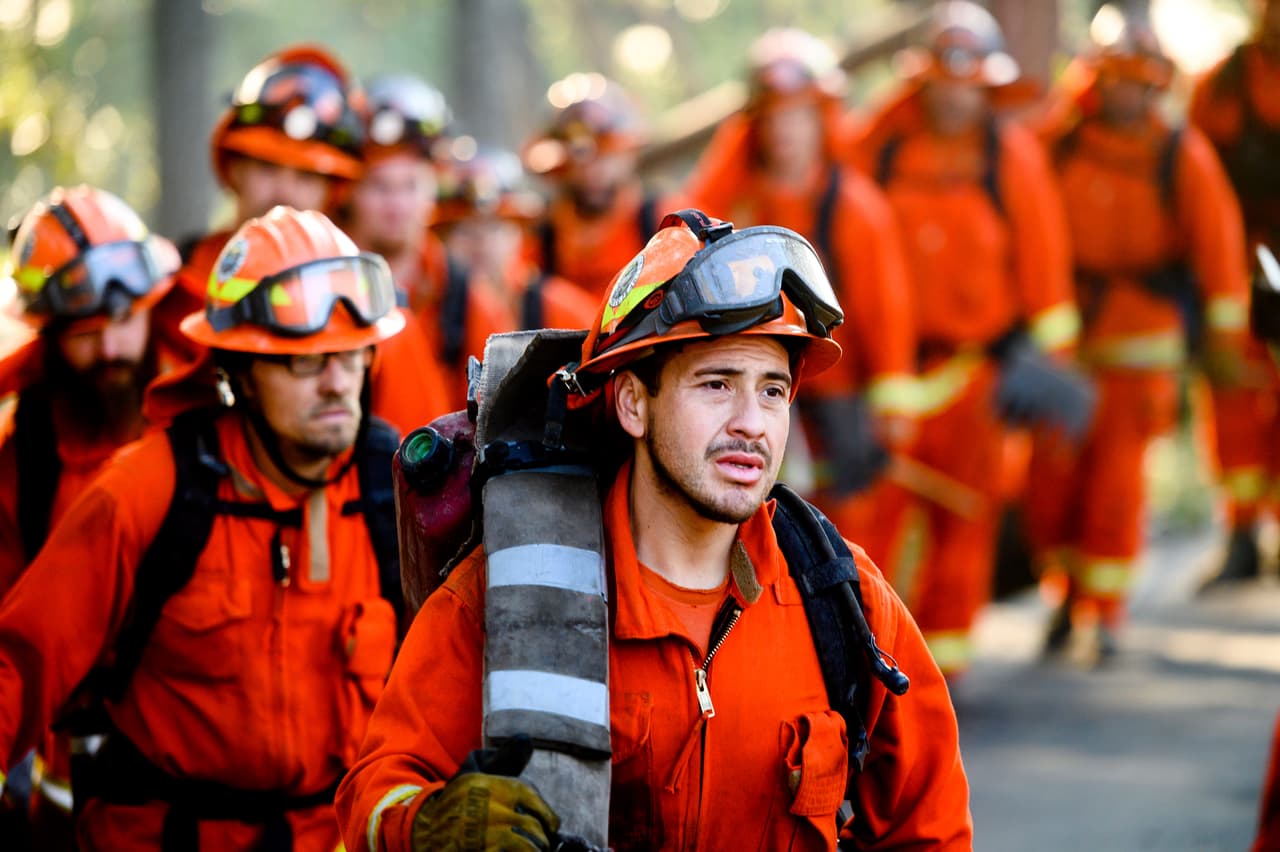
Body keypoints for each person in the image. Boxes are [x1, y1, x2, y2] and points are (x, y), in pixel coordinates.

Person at [336, 212, 972, 851]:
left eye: (773, 390)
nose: (752, 423)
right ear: (634, 403)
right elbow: (378, 786)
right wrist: (425, 826)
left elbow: (931, 830)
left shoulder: (839, 595)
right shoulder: (517, 587)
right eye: (716, 384)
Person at [0, 206, 406, 850]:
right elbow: (16, 668)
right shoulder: (149, 490)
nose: (336, 383)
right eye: (304, 362)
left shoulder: (395, 499)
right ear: (238, 375)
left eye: (351, 355)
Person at [848, 0, 1079, 678]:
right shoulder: (883, 145)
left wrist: (1045, 374)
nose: (956, 94)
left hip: (977, 379)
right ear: (923, 79)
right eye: (943, 78)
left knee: (965, 533)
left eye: (969, 80)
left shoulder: (1013, 159)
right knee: (869, 528)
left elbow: (1046, 276)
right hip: (884, 376)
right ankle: (862, 671)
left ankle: (940, 683)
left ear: (987, 83)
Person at [1027, 6, 1249, 658]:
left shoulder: (1182, 154)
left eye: (1139, 78)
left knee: (1117, 486)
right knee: (1051, 481)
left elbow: (1220, 253)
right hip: (1064, 345)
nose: (1128, 90)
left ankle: (1106, 611)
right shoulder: (1056, 142)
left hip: (1140, 343)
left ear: (1157, 83)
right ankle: (1064, 593)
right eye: (1117, 76)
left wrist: (1225, 342)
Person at [684, 27, 917, 547]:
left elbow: (886, 313)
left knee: (842, 540)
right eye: (772, 117)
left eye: (797, 114)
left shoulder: (857, 210)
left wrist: (890, 416)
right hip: (746, 399)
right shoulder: (728, 204)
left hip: (837, 405)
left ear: (822, 119)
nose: (784, 131)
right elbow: (679, 251)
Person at [0, 185, 181, 846]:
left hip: (199, 753)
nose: (111, 349)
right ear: (47, 334)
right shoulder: (24, 461)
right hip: (72, 772)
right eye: (86, 333)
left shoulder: (207, 419)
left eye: (126, 321)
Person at [1190, 0, 1280, 586]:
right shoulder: (1220, 84)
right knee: (1233, 403)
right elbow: (1192, 179)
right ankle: (1242, 532)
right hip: (1239, 265)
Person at [343, 72, 463, 426]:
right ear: (349, 193)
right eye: (379, 186)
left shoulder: (463, 294)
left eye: (410, 186)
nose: (396, 204)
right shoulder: (321, 280)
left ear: (432, 193)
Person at [522, 72, 675, 300]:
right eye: (579, 159)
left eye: (604, 156)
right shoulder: (538, 243)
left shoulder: (668, 223)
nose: (591, 170)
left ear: (628, 154)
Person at [433, 144, 596, 332]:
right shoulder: (428, 311)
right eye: (464, 230)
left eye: (494, 228)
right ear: (441, 239)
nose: (481, 243)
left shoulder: (559, 307)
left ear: (519, 235)